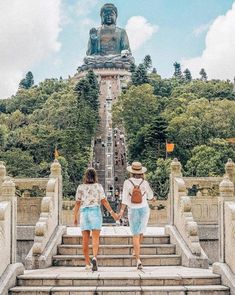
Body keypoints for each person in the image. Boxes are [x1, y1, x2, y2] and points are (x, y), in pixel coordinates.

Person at [73, 167, 118, 271]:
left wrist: (75, 216)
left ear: (85, 176)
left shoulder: (80, 187)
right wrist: (112, 213)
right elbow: (104, 201)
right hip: (95, 212)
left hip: (84, 213)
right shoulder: (98, 187)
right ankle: (94, 257)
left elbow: (77, 203)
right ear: (95, 176)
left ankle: (87, 263)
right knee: (95, 238)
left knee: (85, 239)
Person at [118, 162, 154, 270]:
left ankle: (138, 259)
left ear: (131, 172)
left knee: (135, 234)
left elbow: (124, 199)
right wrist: (153, 199)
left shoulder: (127, 182)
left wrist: (121, 212)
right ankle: (136, 250)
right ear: (141, 172)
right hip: (144, 209)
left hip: (132, 209)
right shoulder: (145, 182)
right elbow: (150, 196)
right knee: (141, 231)